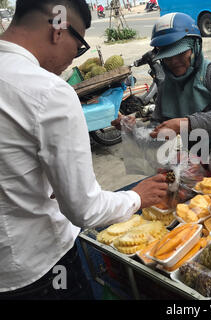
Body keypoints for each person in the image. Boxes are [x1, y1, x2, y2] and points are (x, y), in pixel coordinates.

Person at [0, 0, 168, 299]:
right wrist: (136, 196)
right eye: (79, 47)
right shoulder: (47, 92)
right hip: (39, 270)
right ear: (58, 27)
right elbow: (85, 210)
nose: (72, 60)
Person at [147, 12, 211, 138]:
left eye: (180, 53)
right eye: (167, 57)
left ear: (196, 46)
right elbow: (157, 122)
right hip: (194, 152)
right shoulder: (165, 85)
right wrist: (132, 127)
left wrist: (185, 124)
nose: (173, 61)